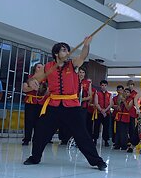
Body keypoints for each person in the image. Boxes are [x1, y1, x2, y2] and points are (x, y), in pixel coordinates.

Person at [23, 37, 107, 171]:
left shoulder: (72, 64)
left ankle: (97, 161)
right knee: (40, 132)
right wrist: (31, 82)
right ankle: (35, 157)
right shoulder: (48, 67)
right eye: (63, 50)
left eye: (68, 50)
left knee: (82, 135)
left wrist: (86, 45)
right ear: (56, 53)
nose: (67, 52)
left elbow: (83, 56)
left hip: (72, 106)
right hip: (53, 105)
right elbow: (32, 80)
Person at [22, 63, 45, 145]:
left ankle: (37, 139)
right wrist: (33, 87)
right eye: (39, 67)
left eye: (42, 67)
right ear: (35, 68)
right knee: (29, 121)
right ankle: (26, 139)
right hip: (30, 101)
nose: (40, 69)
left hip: (41, 102)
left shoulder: (45, 79)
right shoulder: (29, 77)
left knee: (39, 122)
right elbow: (24, 89)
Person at [93, 79, 113, 147]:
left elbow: (110, 104)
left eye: (105, 85)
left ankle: (106, 141)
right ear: (100, 86)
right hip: (98, 113)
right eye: (102, 85)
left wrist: (105, 110)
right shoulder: (97, 94)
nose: (104, 86)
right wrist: (101, 110)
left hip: (106, 113)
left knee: (106, 127)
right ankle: (95, 139)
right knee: (96, 127)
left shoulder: (109, 94)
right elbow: (96, 103)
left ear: (107, 86)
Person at [78, 67, 93, 136]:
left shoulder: (87, 83)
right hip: (73, 104)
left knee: (82, 122)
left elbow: (90, 96)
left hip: (83, 105)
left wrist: (83, 99)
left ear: (85, 74)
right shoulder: (74, 80)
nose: (81, 74)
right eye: (80, 72)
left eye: (83, 72)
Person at [126, 80, 140, 152]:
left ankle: (132, 141)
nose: (130, 86)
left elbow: (138, 102)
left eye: (131, 84)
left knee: (132, 128)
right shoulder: (126, 92)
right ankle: (126, 140)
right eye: (129, 84)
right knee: (126, 128)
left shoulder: (136, 94)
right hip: (125, 113)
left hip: (133, 113)